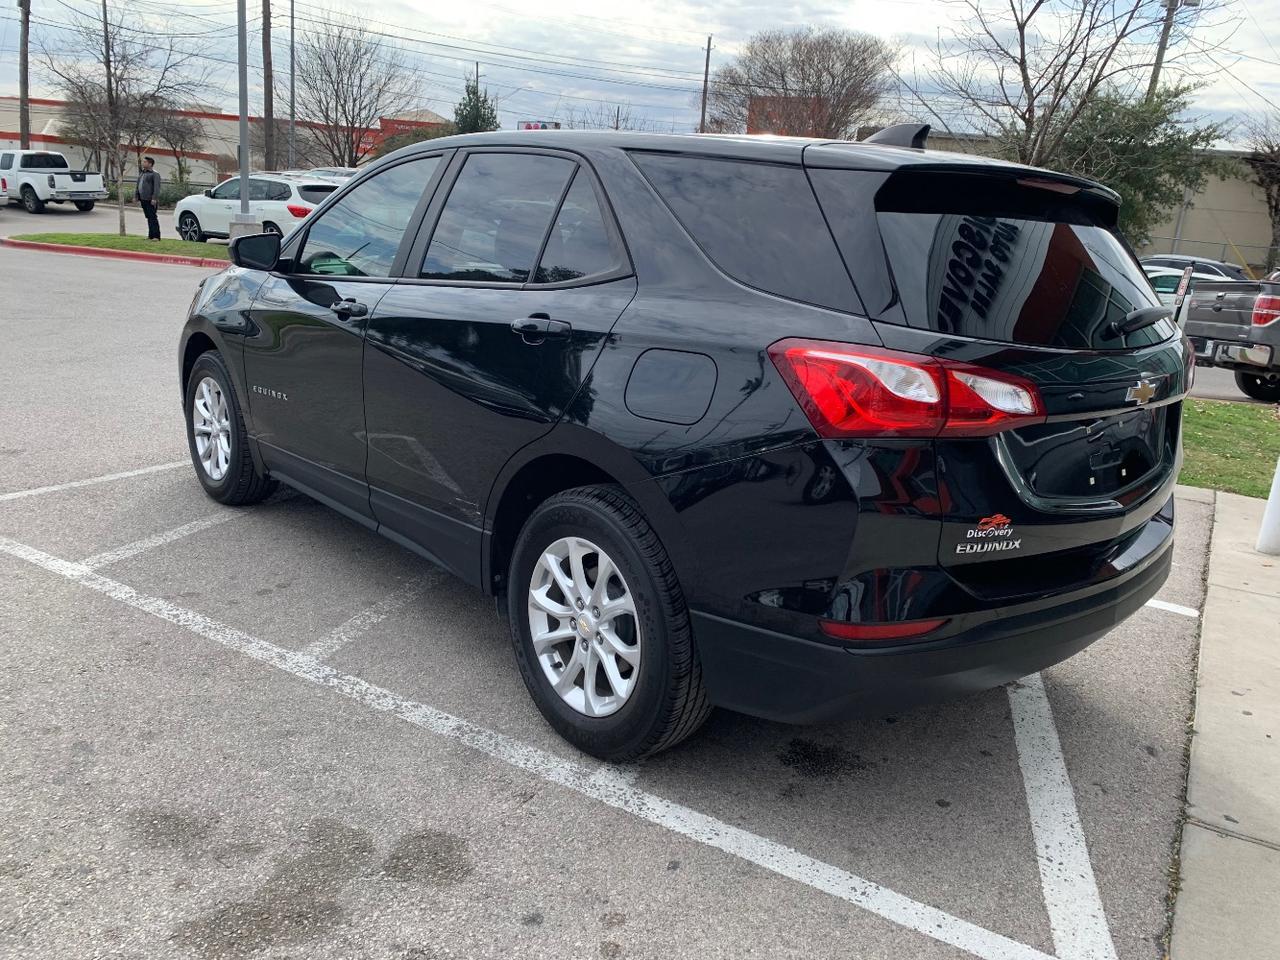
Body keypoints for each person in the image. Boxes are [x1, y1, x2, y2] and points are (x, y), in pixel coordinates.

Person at [135, 157, 162, 241]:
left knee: (153, 217)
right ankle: (150, 236)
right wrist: (136, 196)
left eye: (145, 162)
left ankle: (156, 236)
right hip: (143, 199)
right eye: (143, 161)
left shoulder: (154, 174)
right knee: (148, 217)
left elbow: (156, 187)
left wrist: (154, 198)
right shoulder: (142, 173)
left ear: (150, 164)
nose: (143, 163)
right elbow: (138, 185)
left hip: (150, 199)